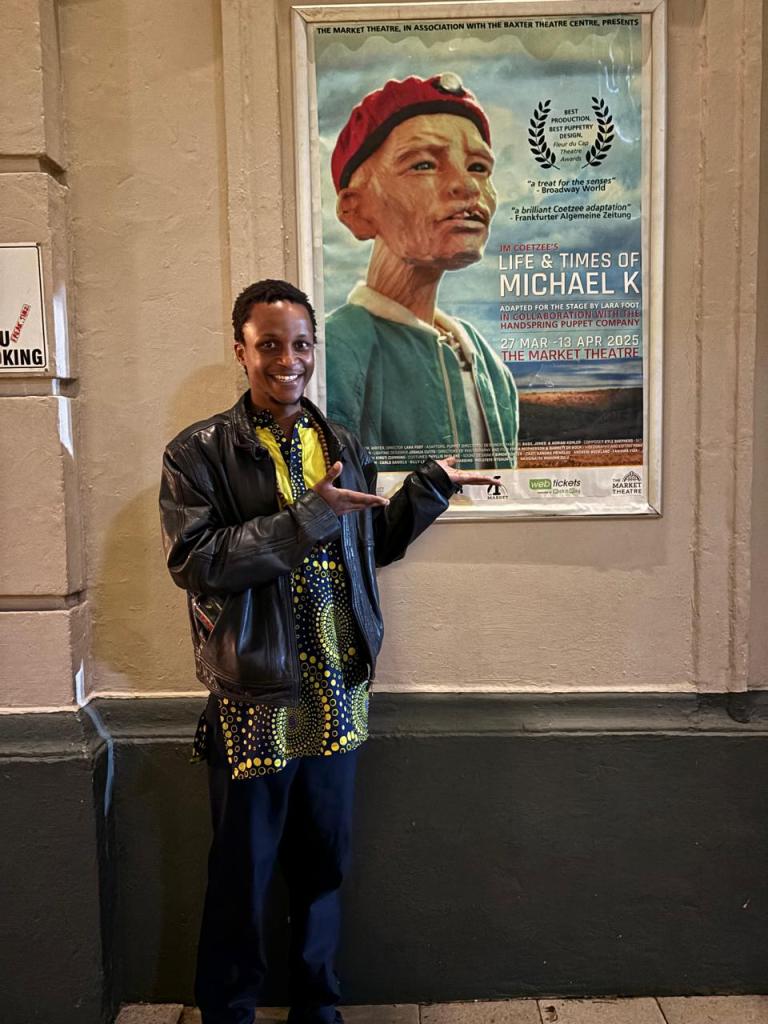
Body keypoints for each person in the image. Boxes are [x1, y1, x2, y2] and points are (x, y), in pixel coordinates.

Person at [159, 279, 496, 1024]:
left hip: (337, 691)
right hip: (256, 699)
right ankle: (230, 1012)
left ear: (315, 348)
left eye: (301, 344)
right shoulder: (197, 453)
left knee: (322, 870)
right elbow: (196, 560)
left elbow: (367, 544)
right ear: (241, 350)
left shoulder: (341, 443)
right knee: (242, 875)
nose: (289, 360)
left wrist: (429, 489)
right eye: (269, 345)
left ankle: (319, 1011)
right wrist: (305, 516)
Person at [326, 73, 519, 472]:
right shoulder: (333, 353)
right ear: (354, 209)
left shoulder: (491, 368)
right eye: (424, 164)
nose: (467, 186)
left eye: (479, 167)